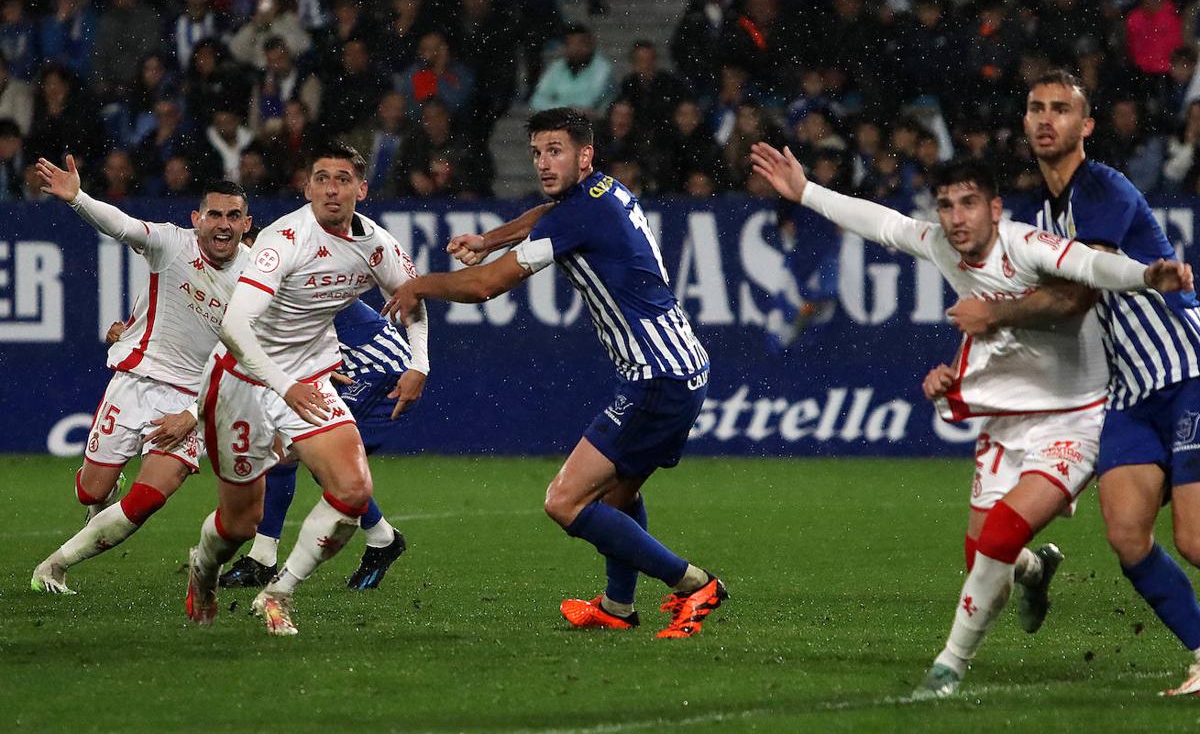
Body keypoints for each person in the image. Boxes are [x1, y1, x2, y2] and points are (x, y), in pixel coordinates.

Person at [749, 142, 1193, 697]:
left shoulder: (1026, 245)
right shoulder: (941, 244)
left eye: (968, 204)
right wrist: (806, 191)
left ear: (995, 208)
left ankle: (948, 667)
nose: (956, 218)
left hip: (1074, 419)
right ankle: (1035, 570)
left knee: (1004, 533)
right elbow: (882, 224)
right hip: (1006, 420)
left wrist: (1146, 275)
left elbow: (1089, 265)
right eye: (946, 205)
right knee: (986, 561)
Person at [385, 107, 725, 639]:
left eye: (556, 151)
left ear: (585, 155)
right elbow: (543, 215)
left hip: (656, 376)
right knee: (617, 496)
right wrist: (490, 239)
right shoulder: (600, 192)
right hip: (680, 367)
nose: (544, 162)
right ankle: (617, 607)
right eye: (538, 152)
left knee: (565, 502)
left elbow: (485, 287)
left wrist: (418, 286)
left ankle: (694, 584)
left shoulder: (579, 214)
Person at [951, 69, 1200, 696]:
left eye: (1061, 109)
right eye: (1035, 108)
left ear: (1085, 126)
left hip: (1185, 371)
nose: (1045, 119)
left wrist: (996, 314)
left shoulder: (1102, 186)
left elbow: (1073, 298)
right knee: (1126, 536)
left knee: (1194, 539)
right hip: (1131, 393)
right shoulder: (1045, 214)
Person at [184, 141, 429, 636]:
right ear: (307, 186)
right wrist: (284, 385)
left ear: (361, 188)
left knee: (353, 490)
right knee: (236, 525)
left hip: (311, 375)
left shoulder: (377, 244)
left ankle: (277, 594)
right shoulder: (284, 241)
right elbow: (234, 327)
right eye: (321, 178)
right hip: (243, 377)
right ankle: (203, 570)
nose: (331, 188)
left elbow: (412, 297)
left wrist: (419, 362)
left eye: (342, 179)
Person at [30, 159, 252, 594]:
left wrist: (193, 414)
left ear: (247, 223)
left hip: (192, 398)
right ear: (197, 219)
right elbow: (123, 227)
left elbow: (246, 362)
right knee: (91, 493)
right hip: (136, 382)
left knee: (148, 499)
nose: (223, 225)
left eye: (233, 216)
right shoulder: (172, 244)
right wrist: (78, 198)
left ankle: (53, 566)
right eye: (214, 215)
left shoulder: (256, 278)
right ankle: (103, 496)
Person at [217, 297, 415, 591]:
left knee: (306, 451)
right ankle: (264, 558)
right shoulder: (258, 273)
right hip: (349, 365)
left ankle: (381, 538)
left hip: (378, 370)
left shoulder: (279, 269)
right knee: (289, 451)